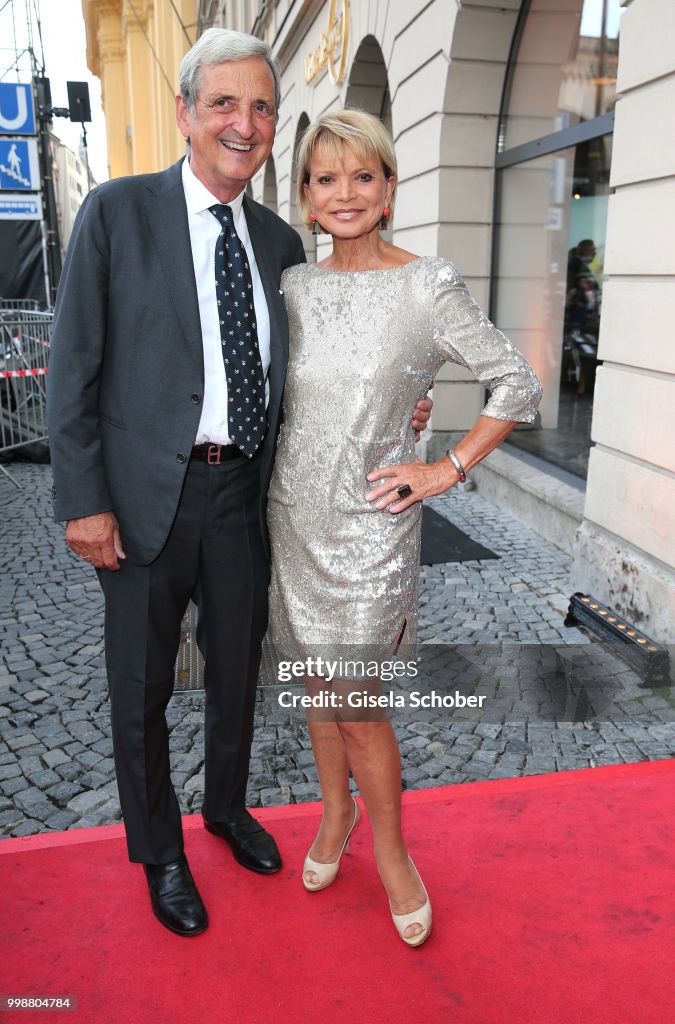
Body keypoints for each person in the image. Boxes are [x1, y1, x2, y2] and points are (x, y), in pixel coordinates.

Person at [47, 30, 431, 938]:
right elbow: (73, 371)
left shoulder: (278, 240)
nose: (244, 122)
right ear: (185, 113)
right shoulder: (117, 214)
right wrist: (82, 501)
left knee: (236, 673)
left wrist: (402, 415)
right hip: (143, 501)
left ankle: (224, 810)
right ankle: (160, 852)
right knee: (142, 684)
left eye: (260, 107)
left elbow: (323, 368)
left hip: (246, 498)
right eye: (224, 103)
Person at [265, 110, 543, 947]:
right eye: (324, 178)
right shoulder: (294, 286)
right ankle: (334, 815)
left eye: (361, 176)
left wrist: (443, 468)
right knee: (317, 687)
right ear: (307, 199)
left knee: (359, 705)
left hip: (373, 527)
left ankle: (390, 850)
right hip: (289, 517)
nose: (342, 193)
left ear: (388, 189)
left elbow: (516, 384)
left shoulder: (427, 283)